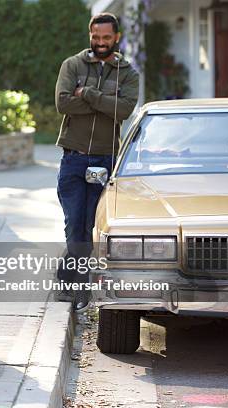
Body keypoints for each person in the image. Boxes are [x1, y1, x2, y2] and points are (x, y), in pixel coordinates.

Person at [54, 13, 139, 311]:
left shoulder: (127, 72)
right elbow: (63, 103)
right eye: (95, 37)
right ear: (90, 35)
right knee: (74, 223)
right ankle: (77, 285)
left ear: (116, 37)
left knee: (90, 225)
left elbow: (124, 110)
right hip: (74, 158)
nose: (100, 43)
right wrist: (104, 102)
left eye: (106, 38)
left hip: (105, 159)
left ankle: (72, 283)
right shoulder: (72, 65)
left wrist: (88, 94)